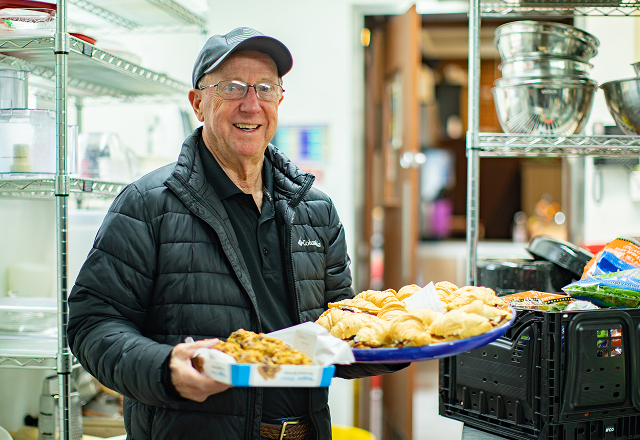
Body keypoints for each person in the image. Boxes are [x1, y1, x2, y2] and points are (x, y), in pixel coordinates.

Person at [67, 27, 407, 440]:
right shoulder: (147, 204)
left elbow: (335, 333)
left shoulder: (316, 209)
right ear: (198, 103)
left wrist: (401, 341)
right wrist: (164, 367)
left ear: (279, 101)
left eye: (265, 88)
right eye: (231, 88)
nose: (252, 104)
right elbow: (93, 323)